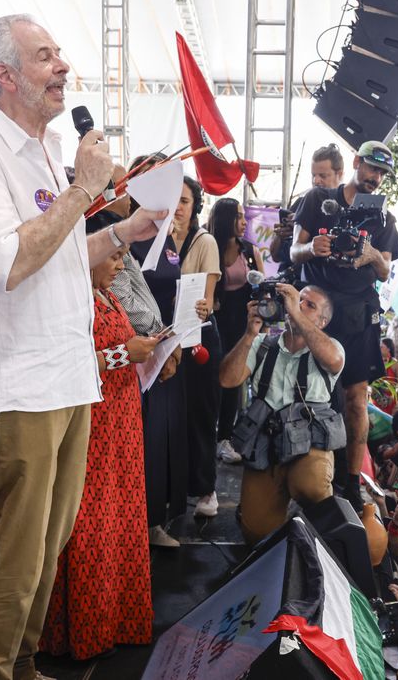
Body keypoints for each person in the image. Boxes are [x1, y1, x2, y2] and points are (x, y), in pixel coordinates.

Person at [0, 14, 167, 679]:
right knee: (17, 552)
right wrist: (84, 190)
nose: (64, 65)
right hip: (19, 382)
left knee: (50, 543)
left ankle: (26, 665)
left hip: (68, 376)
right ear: (4, 76)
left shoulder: (40, 147)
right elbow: (5, 262)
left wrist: (128, 229)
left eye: (60, 53)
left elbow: (61, 256)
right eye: (45, 56)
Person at [41, 220, 160, 660]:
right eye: (113, 255)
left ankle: (116, 623)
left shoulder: (107, 294)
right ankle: (80, 632)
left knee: (120, 519)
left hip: (121, 424)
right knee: (88, 524)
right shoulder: (71, 301)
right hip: (91, 425)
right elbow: (64, 362)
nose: (121, 263)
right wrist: (123, 354)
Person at [290, 139, 398, 506]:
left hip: (359, 311)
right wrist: (312, 248)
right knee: (303, 392)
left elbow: (386, 271)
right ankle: (295, 470)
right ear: (356, 162)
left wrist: (372, 256)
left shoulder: (384, 218)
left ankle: (352, 483)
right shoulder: (318, 199)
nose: (375, 178)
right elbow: (294, 250)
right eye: (371, 168)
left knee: (356, 400)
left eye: (382, 173)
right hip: (318, 308)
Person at [219, 284, 346, 544]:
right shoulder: (263, 345)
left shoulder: (331, 347)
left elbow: (333, 361)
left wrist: (295, 314)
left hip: (308, 446)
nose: (297, 306)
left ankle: (312, 528)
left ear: (322, 322)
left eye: (308, 305)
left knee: (311, 486)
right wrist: (248, 334)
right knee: (255, 533)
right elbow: (227, 379)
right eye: (297, 300)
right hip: (266, 448)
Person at [130, 173, 196, 548]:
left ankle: (156, 520)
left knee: (165, 438)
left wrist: (192, 310)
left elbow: (173, 289)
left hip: (171, 348)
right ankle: (137, 522)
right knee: (145, 439)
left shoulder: (166, 238)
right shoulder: (129, 236)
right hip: (141, 353)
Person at [167, 176, 223, 518]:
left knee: (201, 414)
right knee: (171, 416)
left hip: (198, 335)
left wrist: (201, 305)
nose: (178, 206)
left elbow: (209, 298)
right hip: (167, 335)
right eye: (174, 198)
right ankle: (174, 487)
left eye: (185, 200)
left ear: (195, 206)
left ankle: (206, 487)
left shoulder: (205, 242)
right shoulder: (155, 238)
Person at [208, 197, 262, 465]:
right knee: (211, 378)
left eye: (244, 217)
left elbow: (262, 288)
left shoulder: (250, 250)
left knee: (233, 380)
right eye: (239, 217)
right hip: (214, 322)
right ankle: (209, 435)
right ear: (225, 220)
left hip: (242, 322)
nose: (244, 222)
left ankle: (225, 438)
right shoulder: (207, 247)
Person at [268, 142, 343, 273]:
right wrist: (281, 235)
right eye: (313, 175)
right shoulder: (302, 203)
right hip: (289, 282)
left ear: (340, 174)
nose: (316, 181)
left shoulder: (347, 211)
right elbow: (275, 255)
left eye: (323, 176)